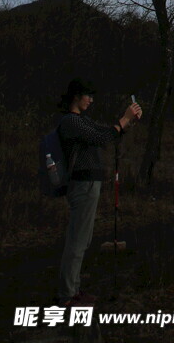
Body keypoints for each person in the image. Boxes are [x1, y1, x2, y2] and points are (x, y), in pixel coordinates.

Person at [55, 78, 142, 306]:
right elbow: (100, 137)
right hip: (82, 185)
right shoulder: (70, 122)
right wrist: (124, 119)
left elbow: (105, 132)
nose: (91, 100)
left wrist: (127, 122)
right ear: (76, 96)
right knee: (77, 240)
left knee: (83, 239)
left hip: (89, 184)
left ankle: (73, 289)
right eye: (88, 96)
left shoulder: (81, 120)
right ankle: (67, 295)